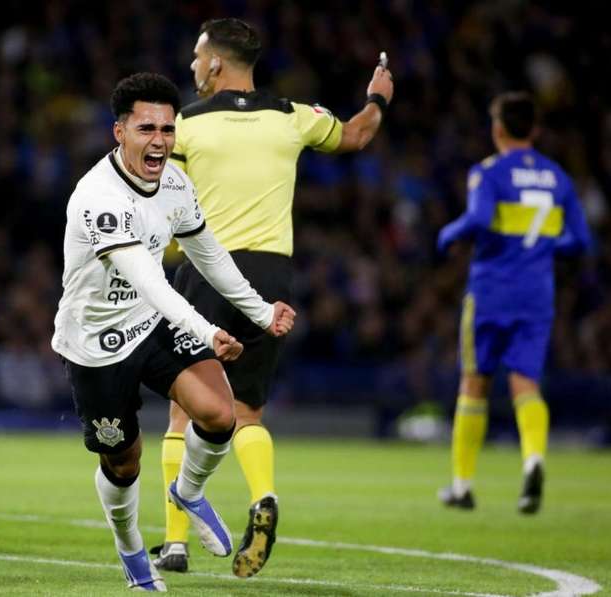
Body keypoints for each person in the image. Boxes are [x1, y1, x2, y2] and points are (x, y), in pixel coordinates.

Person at [151, 18, 394, 578]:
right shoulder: (293, 116)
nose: (192, 66)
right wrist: (377, 97)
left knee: (183, 407)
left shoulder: (184, 126)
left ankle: (177, 541)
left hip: (204, 270)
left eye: (196, 56)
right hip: (269, 275)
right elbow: (357, 135)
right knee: (246, 410)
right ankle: (262, 496)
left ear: (215, 63)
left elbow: (161, 202)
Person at [51, 72, 296, 591]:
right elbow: (147, 276)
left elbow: (208, 253)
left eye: (167, 128)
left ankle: (187, 492)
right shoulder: (99, 197)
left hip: (152, 322)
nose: (159, 140)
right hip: (98, 342)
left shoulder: (176, 185)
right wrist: (208, 331)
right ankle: (130, 548)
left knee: (218, 413)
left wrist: (258, 311)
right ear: (119, 132)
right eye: (146, 128)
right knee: (124, 462)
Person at [436, 91, 590, 514]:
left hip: (490, 291)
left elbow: (481, 220)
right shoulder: (559, 178)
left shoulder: (488, 172)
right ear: (535, 130)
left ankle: (462, 486)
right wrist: (542, 245)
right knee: (526, 384)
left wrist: (448, 234)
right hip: (537, 294)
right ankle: (534, 458)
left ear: (498, 128)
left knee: (474, 383)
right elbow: (581, 241)